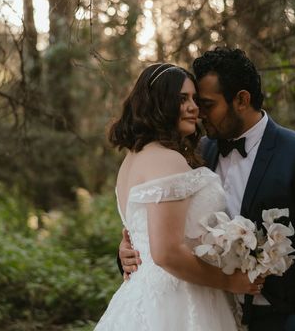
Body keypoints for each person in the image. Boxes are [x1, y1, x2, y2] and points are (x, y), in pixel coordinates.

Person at [119, 48, 295, 331]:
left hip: (276, 319)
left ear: (241, 99)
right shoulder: (195, 152)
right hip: (202, 311)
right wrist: (130, 253)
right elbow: (165, 227)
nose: (199, 113)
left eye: (207, 104)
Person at [95, 63, 263, 331]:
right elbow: (166, 252)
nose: (194, 108)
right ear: (158, 103)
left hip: (148, 295)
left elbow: (146, 234)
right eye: (182, 99)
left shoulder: (134, 157)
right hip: (180, 300)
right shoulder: (167, 160)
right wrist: (229, 281)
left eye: (195, 99)